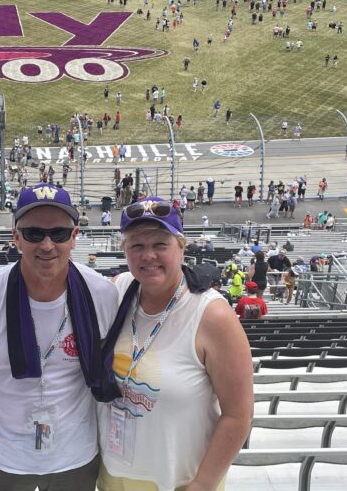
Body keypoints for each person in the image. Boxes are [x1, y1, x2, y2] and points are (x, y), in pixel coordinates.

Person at [0, 183, 119, 491]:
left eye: (60, 234)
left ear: (74, 237)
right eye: (34, 233)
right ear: (16, 238)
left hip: (75, 458)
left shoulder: (101, 294)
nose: (47, 245)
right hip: (2, 458)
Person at [98, 197, 252, 490]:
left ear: (181, 246)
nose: (148, 256)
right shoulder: (118, 292)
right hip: (112, 474)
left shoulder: (212, 316)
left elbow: (239, 415)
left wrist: (203, 483)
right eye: (137, 246)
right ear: (124, 251)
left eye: (160, 244)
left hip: (178, 480)